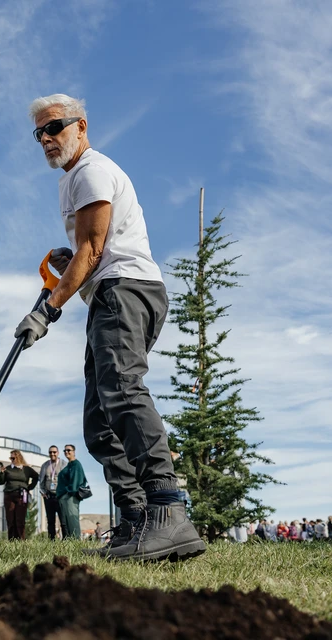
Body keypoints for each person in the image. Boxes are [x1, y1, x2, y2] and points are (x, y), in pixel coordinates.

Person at [17, 94, 204, 563]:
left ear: (81, 126)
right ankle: (138, 519)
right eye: (38, 132)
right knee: (99, 420)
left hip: (127, 290)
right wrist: (70, 261)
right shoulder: (71, 182)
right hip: (108, 293)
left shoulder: (91, 171)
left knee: (121, 389)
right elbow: (88, 249)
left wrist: (48, 309)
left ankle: (168, 510)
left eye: (54, 127)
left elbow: (95, 250)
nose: (45, 138)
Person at [0, 449, 39, 541]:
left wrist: (30, 487)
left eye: (13, 458)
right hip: (9, 495)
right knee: (10, 519)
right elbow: (1, 482)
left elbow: (36, 476)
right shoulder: (8, 468)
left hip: (21, 495)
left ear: (19, 457)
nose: (12, 460)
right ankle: (11, 541)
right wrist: (2, 473)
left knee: (20, 519)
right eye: (10, 458)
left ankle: (21, 541)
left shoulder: (26, 469)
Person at [56, 444, 86, 540]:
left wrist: (68, 492)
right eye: (65, 450)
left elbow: (77, 481)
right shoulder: (69, 465)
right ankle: (70, 540)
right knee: (66, 521)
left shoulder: (76, 464)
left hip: (70, 496)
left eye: (69, 450)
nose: (66, 452)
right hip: (64, 497)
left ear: (74, 451)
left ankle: (76, 540)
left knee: (72, 520)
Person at [38, 445, 67, 540]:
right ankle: (52, 540)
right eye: (50, 452)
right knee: (50, 521)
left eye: (54, 452)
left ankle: (66, 540)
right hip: (49, 496)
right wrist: (43, 492)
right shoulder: (45, 465)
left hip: (61, 496)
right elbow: (41, 481)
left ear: (58, 453)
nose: (52, 454)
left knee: (63, 520)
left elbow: (68, 479)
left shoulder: (64, 464)